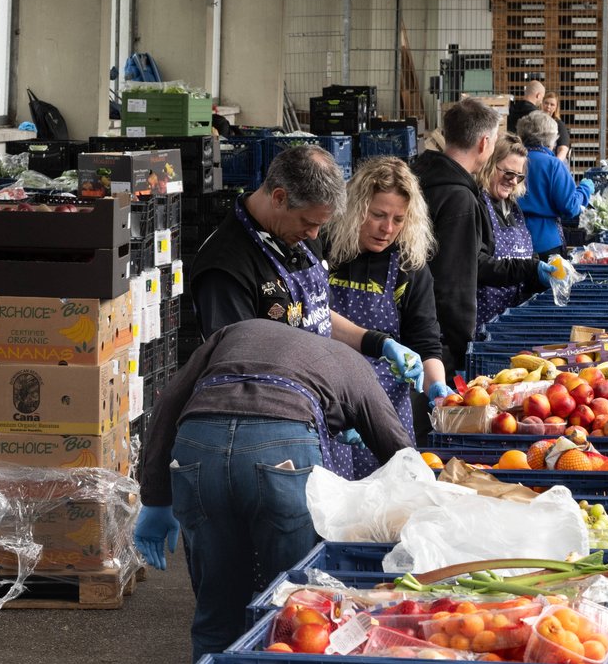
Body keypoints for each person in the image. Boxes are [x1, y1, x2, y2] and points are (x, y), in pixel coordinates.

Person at [131, 319, 417, 660]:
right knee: (291, 608)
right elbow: (402, 456)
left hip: (200, 442)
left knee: (216, 608)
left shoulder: (238, 330)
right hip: (282, 447)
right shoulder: (354, 363)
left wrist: (156, 497)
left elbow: (170, 401)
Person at [185, 142, 424, 389]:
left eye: (321, 225)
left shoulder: (297, 235)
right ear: (279, 198)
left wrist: (376, 343)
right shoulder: (225, 268)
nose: (314, 235)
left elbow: (311, 312)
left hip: (314, 399)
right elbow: (236, 365)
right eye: (308, 222)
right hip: (268, 410)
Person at [319, 158, 450, 478]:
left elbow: (425, 339)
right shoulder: (324, 247)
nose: (387, 228)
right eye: (377, 215)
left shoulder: (409, 266)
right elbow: (309, 313)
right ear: (355, 209)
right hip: (324, 400)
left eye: (398, 219)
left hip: (384, 410)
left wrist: (438, 387)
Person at [411, 98, 502, 373]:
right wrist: (461, 348)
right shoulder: (459, 200)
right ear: (484, 143)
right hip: (439, 345)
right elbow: (455, 283)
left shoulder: (417, 177)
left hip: (408, 325)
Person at [475, 134, 555, 331]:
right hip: (484, 321)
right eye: (509, 173)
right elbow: (477, 264)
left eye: (519, 176)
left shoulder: (512, 208)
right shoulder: (477, 205)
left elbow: (524, 254)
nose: (513, 181)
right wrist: (529, 269)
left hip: (511, 318)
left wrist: (539, 273)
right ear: (490, 165)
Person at [516, 111, 591, 256]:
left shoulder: (512, 161)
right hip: (546, 242)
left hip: (514, 240)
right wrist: (585, 189)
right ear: (552, 138)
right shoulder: (553, 165)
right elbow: (570, 207)